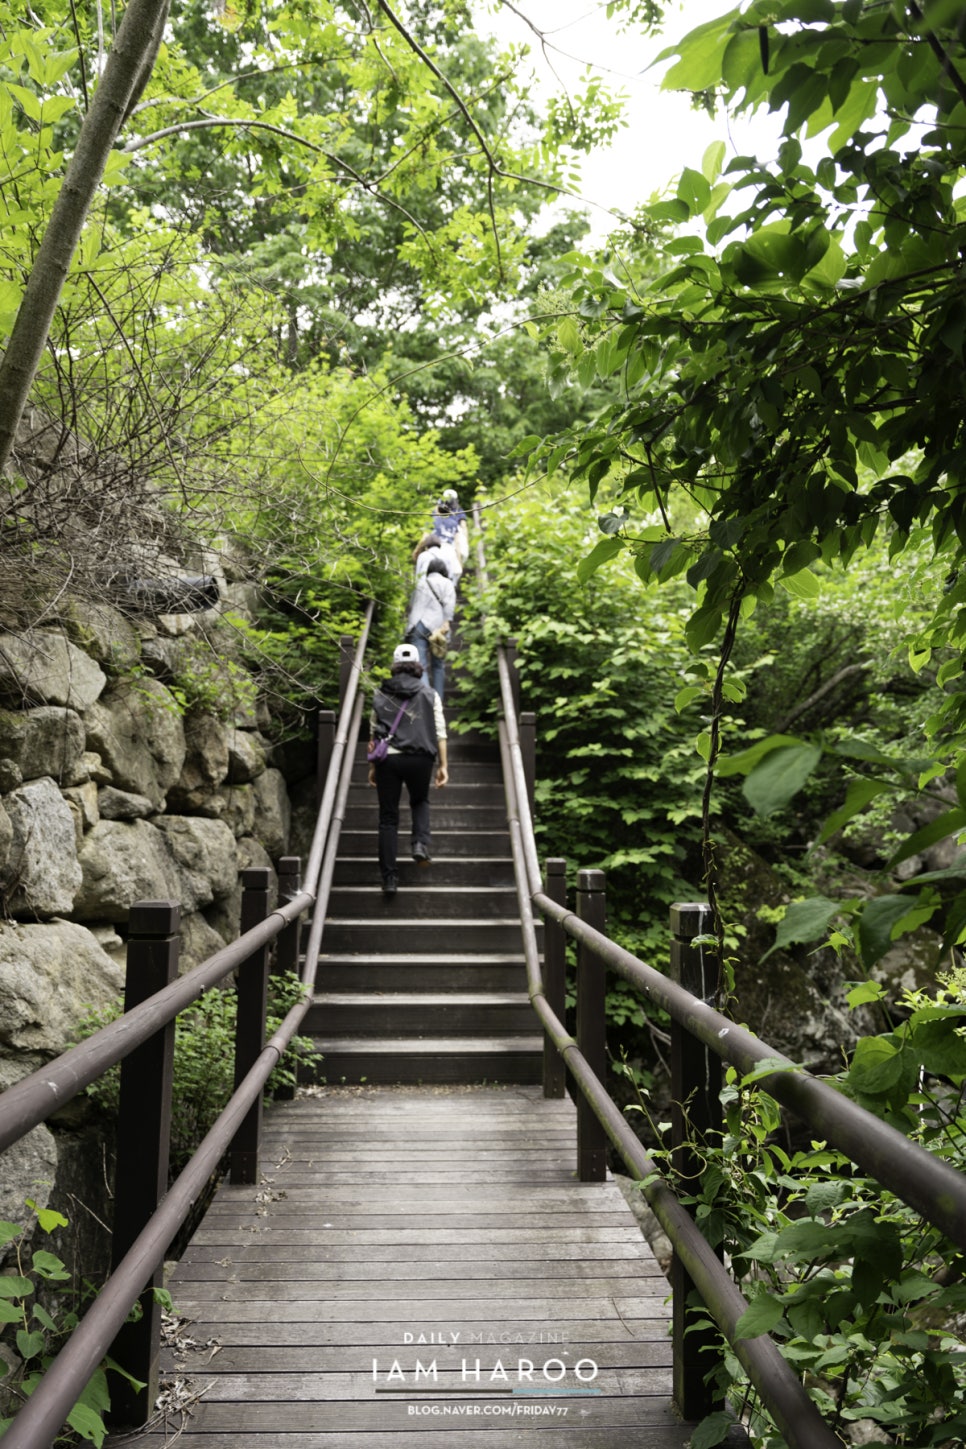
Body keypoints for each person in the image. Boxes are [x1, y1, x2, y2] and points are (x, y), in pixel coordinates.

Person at [368, 642, 448, 897]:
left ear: (394, 665)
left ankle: (389, 879)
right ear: (418, 666)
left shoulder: (380, 694)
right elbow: (440, 732)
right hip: (420, 758)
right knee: (420, 800)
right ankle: (420, 844)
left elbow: (373, 731)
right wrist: (443, 765)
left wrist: (372, 766)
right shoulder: (429, 694)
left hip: (387, 759)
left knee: (388, 819)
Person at [405, 555, 456, 699]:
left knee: (421, 664)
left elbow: (411, 604)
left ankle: (426, 699)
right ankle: (437, 701)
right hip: (439, 626)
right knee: (438, 665)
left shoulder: (420, 583)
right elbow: (449, 606)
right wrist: (447, 621)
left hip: (419, 625)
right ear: (443, 570)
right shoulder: (447, 583)